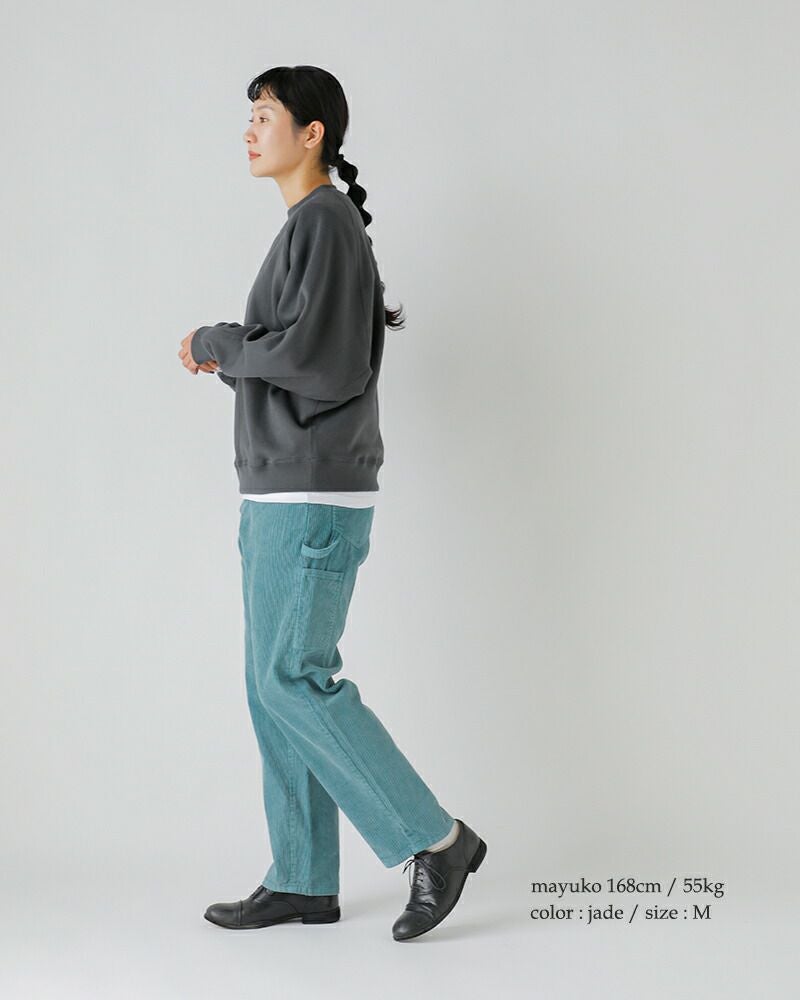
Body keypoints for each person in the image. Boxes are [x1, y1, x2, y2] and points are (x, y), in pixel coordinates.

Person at [177, 64, 486, 942]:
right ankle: (303, 879)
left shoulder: (324, 221)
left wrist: (220, 341)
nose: (249, 130)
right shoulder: (309, 226)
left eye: (265, 115)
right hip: (285, 486)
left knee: (291, 679)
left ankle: (438, 840)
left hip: (309, 490)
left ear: (312, 133)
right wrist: (233, 357)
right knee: (271, 685)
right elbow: (302, 357)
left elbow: (325, 362)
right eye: (248, 116)